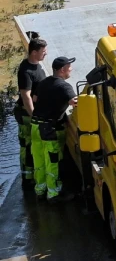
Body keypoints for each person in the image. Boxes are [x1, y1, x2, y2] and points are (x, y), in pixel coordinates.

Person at [31, 56, 75, 201]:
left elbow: (35, 99)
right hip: (49, 129)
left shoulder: (44, 83)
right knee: (53, 161)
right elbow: (75, 102)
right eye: (69, 67)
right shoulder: (64, 86)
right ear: (62, 70)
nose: (71, 69)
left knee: (39, 159)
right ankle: (53, 193)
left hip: (35, 127)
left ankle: (40, 189)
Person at [14, 35, 48, 184]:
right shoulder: (26, 71)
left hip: (36, 112)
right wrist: (33, 115)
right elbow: (25, 95)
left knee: (35, 144)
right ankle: (27, 179)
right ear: (34, 52)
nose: (45, 53)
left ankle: (35, 173)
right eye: (43, 51)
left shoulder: (37, 65)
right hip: (26, 114)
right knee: (28, 145)